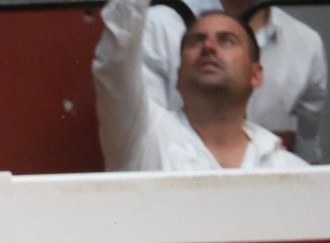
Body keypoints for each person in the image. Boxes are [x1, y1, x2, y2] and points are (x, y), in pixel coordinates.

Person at [94, 0, 311, 170]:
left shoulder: (287, 167)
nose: (208, 46)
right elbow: (116, 59)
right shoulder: (143, 134)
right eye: (195, 41)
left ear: (256, 74)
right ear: (178, 75)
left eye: (227, 40)